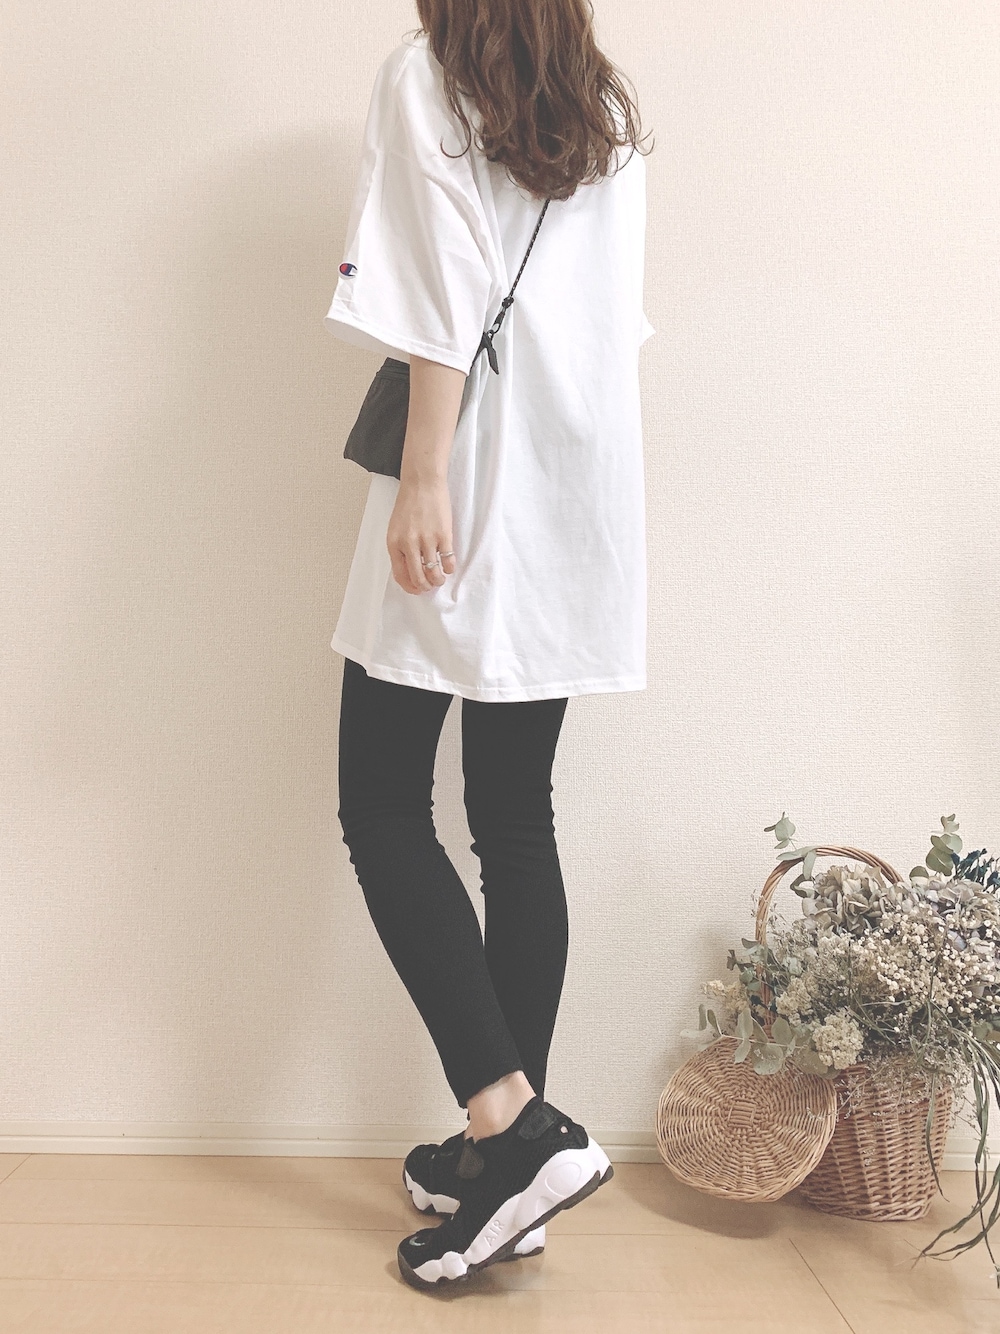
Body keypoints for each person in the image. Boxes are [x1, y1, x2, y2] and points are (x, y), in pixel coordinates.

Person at [324, 0, 654, 1291]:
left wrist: (423, 476)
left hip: (467, 471)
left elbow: (435, 290)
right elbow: (611, 321)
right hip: (575, 487)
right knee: (514, 816)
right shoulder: (601, 100)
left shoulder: (431, 77)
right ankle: (512, 1161)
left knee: (380, 799)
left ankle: (510, 1131)